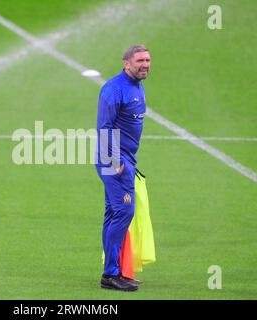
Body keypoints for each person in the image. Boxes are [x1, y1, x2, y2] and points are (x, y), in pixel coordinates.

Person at [95, 44, 151, 291]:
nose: (145, 64)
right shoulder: (114, 89)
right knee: (124, 212)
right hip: (115, 162)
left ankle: (114, 271)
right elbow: (104, 128)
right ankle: (111, 275)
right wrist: (116, 161)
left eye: (148, 60)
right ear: (126, 63)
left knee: (113, 214)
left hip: (126, 160)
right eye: (140, 61)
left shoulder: (138, 86)